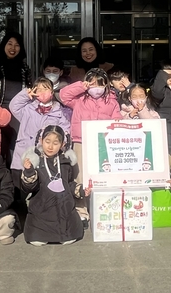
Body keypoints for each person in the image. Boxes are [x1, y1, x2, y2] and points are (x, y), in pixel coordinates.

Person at [59, 68, 122, 221]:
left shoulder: (112, 102)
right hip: (81, 141)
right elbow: (63, 95)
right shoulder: (79, 99)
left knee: (102, 175)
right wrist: (81, 86)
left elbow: (117, 120)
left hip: (103, 144)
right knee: (80, 176)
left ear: (106, 85)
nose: (96, 88)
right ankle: (81, 211)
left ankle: (102, 209)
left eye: (100, 84)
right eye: (92, 84)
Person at [21, 126, 89, 246]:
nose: (50, 147)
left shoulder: (65, 162)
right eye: (47, 142)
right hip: (42, 208)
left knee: (69, 238)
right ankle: (40, 234)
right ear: (41, 141)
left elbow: (68, 184)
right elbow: (29, 188)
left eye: (55, 143)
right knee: (37, 240)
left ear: (62, 144)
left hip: (63, 208)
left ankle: (65, 234)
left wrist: (81, 190)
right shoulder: (35, 161)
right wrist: (29, 171)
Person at [9, 77, 71, 189]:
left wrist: (59, 145)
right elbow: (13, 106)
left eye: (45, 89)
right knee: (20, 189)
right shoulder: (28, 108)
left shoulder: (59, 112)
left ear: (52, 91)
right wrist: (25, 95)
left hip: (45, 158)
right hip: (24, 153)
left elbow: (66, 132)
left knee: (41, 188)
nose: (42, 92)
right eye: (39, 89)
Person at [0, 31, 32, 164]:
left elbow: (29, 88)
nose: (13, 48)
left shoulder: (24, 68)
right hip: (0, 109)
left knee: (17, 143)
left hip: (18, 110)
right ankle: (1, 172)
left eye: (16, 45)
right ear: (4, 46)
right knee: (0, 142)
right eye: (9, 44)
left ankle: (15, 171)